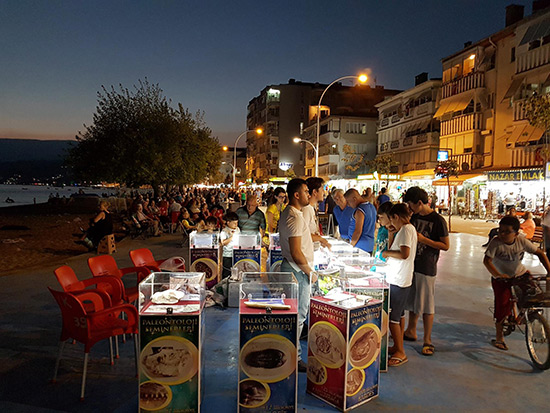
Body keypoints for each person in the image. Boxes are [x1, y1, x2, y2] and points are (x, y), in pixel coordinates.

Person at [483, 215, 550, 350]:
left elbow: (540, 254)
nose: (502, 234)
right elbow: (487, 261)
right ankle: (499, 337)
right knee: (501, 306)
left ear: (516, 233)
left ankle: (531, 317)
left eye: (507, 231)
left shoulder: (522, 241)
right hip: (501, 278)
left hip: (520, 274)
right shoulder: (496, 243)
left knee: (534, 296)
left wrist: (549, 271)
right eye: (500, 230)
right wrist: (497, 274)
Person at [403, 187, 449, 356]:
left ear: (420, 203)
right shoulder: (414, 217)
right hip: (411, 264)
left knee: (427, 304)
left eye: (411, 204)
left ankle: (427, 340)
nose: (409, 207)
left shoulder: (438, 220)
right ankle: (410, 330)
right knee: (414, 299)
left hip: (427, 266)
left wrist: (424, 240)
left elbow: (445, 245)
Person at [279, 178, 315, 373]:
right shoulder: (295, 217)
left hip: (293, 269)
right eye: (306, 191)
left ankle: (291, 353)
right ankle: (296, 358)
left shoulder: (290, 213)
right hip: (297, 271)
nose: (309, 194)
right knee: (298, 316)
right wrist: (310, 272)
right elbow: (296, 251)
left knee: (294, 314)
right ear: (296, 194)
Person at [381, 203, 417, 367]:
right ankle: (397, 345)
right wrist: (390, 236)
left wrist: (385, 253)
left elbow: (404, 254)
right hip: (401, 278)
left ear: (395, 217)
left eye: (391, 220)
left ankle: (401, 352)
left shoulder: (405, 230)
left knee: (393, 319)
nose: (391, 224)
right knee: (400, 315)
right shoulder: (408, 230)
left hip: (398, 280)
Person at [344, 188, 377, 254]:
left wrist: (350, 246)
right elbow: (375, 226)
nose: (348, 205)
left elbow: (358, 231)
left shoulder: (360, 211)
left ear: (354, 199)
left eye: (348, 202)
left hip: (359, 247)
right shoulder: (372, 207)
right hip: (369, 245)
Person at [303, 177, 330, 249]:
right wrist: (321, 239)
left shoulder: (311, 208)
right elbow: (303, 234)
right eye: (322, 189)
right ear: (315, 192)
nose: (324, 192)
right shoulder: (306, 209)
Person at [220, 211, 240, 279]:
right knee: (227, 272)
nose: (236, 225)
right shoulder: (224, 231)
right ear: (228, 222)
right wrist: (232, 237)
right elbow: (223, 242)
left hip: (236, 253)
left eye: (237, 223)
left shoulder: (238, 229)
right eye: (234, 223)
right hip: (227, 255)